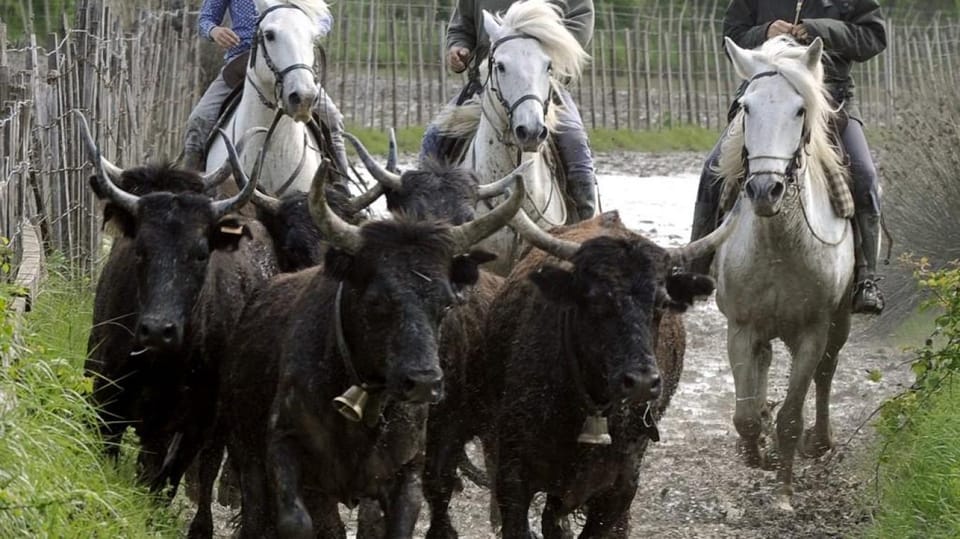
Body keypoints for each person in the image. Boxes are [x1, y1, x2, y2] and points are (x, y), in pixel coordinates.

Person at [690, 0, 887, 314]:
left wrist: (821, 30)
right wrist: (766, 31)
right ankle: (694, 268)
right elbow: (732, 35)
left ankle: (867, 279)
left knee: (864, 175)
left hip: (829, 98)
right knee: (713, 169)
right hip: (766, 97)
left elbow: (873, 38)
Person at [422, 0, 598, 222]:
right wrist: (458, 48)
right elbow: (461, 26)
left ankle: (586, 228)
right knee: (434, 139)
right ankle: (425, 229)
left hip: (545, 87)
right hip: (488, 85)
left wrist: (549, 45)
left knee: (575, 144)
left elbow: (580, 20)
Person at [181, 0, 351, 184]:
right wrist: (214, 31)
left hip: (288, 65)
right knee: (199, 119)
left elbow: (324, 18)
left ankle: (342, 188)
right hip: (239, 64)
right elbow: (205, 19)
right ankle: (189, 188)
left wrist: (306, 29)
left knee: (332, 119)